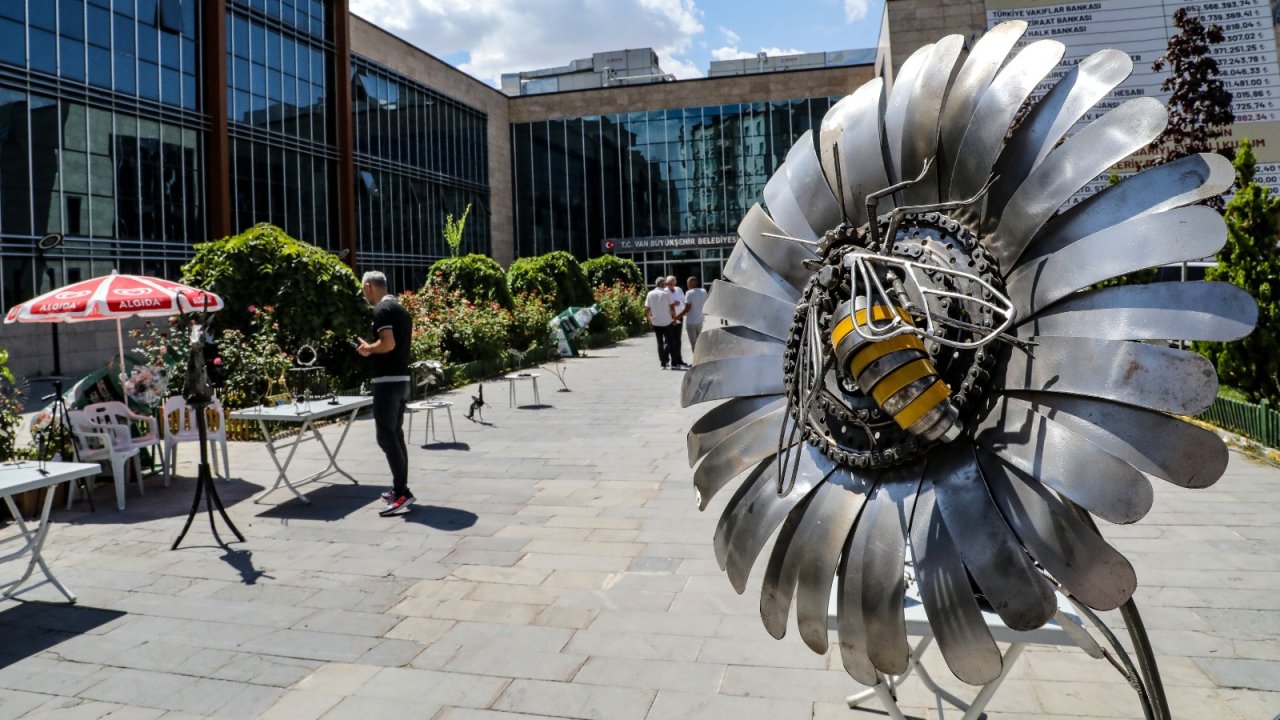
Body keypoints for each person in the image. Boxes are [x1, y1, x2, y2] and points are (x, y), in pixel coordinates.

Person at [356, 271, 414, 515]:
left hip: (388, 382)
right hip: (401, 380)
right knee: (395, 435)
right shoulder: (399, 308)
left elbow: (387, 343)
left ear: (369, 286)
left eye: (363, 290)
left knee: (386, 437)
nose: (363, 295)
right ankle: (400, 488)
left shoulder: (382, 310)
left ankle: (401, 494)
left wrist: (368, 349)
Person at [644, 277, 678, 369]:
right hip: (667, 321)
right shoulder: (666, 294)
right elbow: (672, 307)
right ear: (663, 284)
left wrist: (649, 320)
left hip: (656, 322)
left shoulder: (650, 294)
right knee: (671, 342)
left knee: (660, 343)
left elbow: (648, 309)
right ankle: (674, 363)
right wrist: (674, 319)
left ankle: (663, 363)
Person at [665, 276, 688, 368]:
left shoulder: (678, 290)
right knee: (669, 340)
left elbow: (683, 301)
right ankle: (666, 360)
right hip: (669, 318)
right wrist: (673, 304)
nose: (672, 286)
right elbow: (664, 305)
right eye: (669, 284)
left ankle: (679, 359)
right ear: (666, 284)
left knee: (678, 340)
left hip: (679, 317)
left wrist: (682, 310)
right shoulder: (664, 292)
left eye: (673, 283)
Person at [684, 276, 708, 353]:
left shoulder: (689, 293)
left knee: (693, 343)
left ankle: (695, 361)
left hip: (691, 322)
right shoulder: (703, 291)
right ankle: (700, 360)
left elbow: (687, 308)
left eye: (688, 283)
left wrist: (677, 317)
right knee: (699, 343)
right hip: (700, 320)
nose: (687, 285)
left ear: (690, 284)